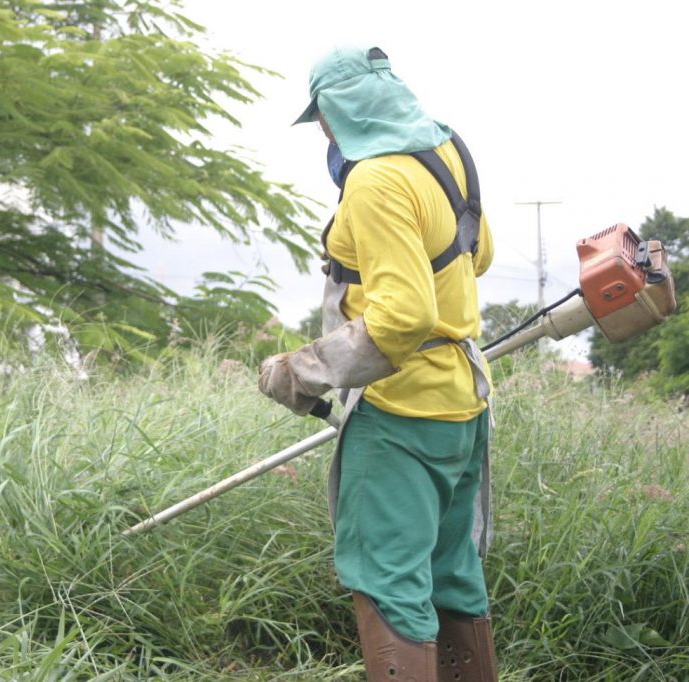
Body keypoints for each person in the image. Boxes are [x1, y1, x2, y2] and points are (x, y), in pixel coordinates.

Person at [258, 45, 498, 681]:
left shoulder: (376, 180)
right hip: (464, 407)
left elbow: (403, 317)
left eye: (321, 120)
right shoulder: (447, 152)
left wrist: (302, 370)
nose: (324, 133)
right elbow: (479, 253)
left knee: (388, 584)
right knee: (452, 576)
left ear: (334, 115)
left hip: (399, 415)